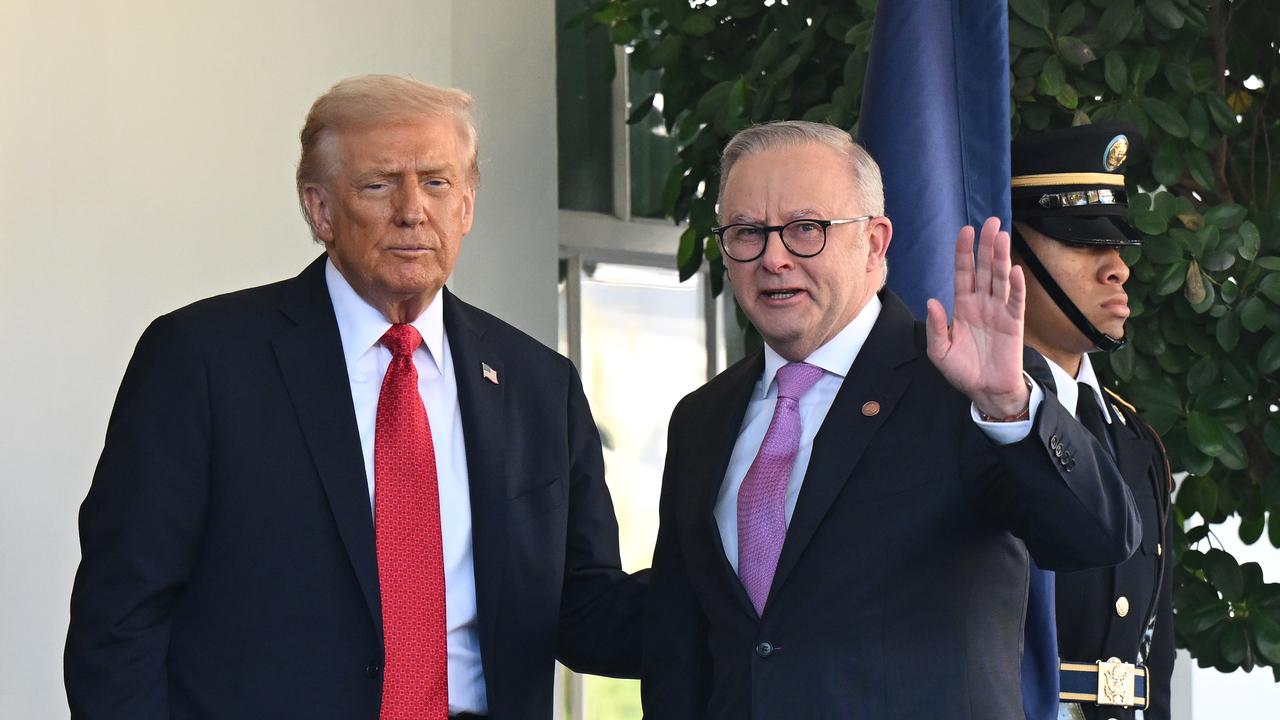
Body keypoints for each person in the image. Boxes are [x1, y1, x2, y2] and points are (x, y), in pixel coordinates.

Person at [64, 75, 645, 720]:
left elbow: (586, 610)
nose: (412, 209)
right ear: (319, 211)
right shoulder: (200, 361)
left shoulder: (539, 384)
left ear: (468, 204)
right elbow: (120, 616)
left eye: (437, 182)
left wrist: (733, 578)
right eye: (378, 184)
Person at [641, 120, 1141, 719]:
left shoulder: (964, 386)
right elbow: (681, 647)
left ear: (875, 242)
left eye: (806, 229)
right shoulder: (701, 419)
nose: (773, 257)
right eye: (747, 232)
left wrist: (1010, 407)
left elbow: (1099, 537)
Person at [1010, 124, 1174, 720]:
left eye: (1119, 245)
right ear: (1009, 256)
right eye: (1082, 243)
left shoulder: (1136, 440)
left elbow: (1153, 662)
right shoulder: (963, 425)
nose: (1117, 270)